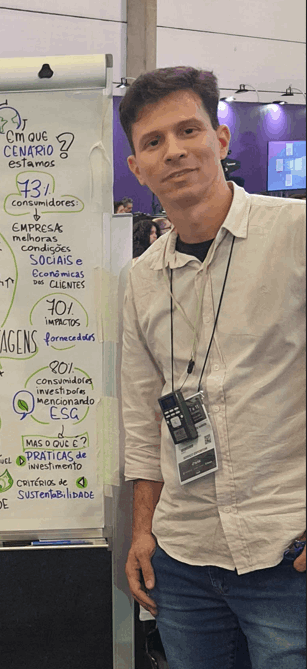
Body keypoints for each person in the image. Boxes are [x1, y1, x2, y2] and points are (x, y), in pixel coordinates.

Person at [119, 66, 305, 669]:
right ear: (137, 167)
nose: (174, 151)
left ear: (220, 139)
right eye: (153, 142)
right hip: (183, 558)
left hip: (287, 549)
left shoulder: (295, 236)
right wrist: (143, 530)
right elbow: (142, 416)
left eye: (188, 130)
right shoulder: (141, 278)